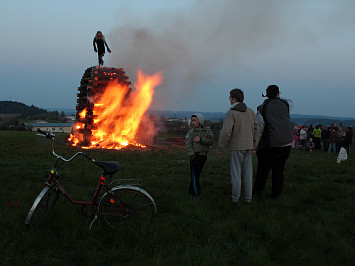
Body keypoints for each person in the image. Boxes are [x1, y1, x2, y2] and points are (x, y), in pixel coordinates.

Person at [217, 89, 259, 204]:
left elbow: (225, 131)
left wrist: (220, 147)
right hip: (249, 147)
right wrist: (254, 145)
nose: (229, 100)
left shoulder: (232, 112)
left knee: (236, 174)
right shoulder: (250, 112)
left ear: (234, 98)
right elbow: (257, 129)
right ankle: (248, 199)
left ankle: (235, 199)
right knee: (248, 174)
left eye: (230, 97)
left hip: (237, 147)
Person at [253, 85, 293, 199]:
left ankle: (257, 193)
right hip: (285, 144)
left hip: (269, 145)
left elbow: (260, 128)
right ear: (278, 94)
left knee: (262, 171)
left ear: (267, 94)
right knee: (278, 171)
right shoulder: (286, 105)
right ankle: (275, 195)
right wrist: (274, 96)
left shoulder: (262, 108)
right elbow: (288, 100)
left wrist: (256, 145)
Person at [185, 113, 214, 198]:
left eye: (195, 120)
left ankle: (191, 191)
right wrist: (192, 156)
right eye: (192, 120)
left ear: (200, 121)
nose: (193, 122)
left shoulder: (207, 131)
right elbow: (188, 145)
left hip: (203, 156)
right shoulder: (191, 132)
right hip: (195, 157)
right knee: (194, 175)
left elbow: (211, 141)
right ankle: (196, 193)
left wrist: (200, 140)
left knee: (197, 175)